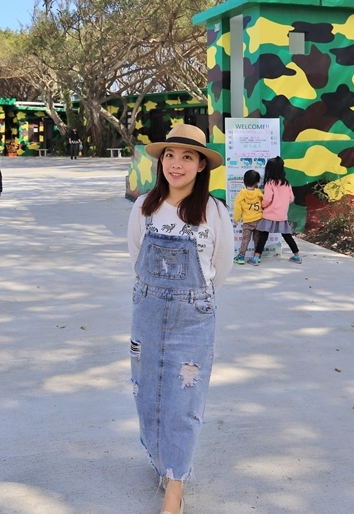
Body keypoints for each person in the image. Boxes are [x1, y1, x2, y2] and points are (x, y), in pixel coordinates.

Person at [127, 123, 234, 514]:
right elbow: (136, 255)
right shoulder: (144, 207)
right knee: (147, 391)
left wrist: (194, 299)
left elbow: (221, 266)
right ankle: (160, 461)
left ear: (201, 165)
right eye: (170, 155)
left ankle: (176, 483)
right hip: (147, 311)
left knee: (184, 400)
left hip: (195, 316)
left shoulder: (214, 211)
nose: (176, 164)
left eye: (188, 157)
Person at [248, 156, 302, 265]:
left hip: (270, 214)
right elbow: (291, 198)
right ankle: (297, 256)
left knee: (263, 235)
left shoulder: (270, 183)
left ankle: (256, 258)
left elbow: (267, 198)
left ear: (269, 170)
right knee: (287, 235)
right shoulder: (286, 183)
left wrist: (263, 205)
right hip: (282, 215)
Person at [233, 169, 263, 265]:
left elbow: (238, 206)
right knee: (257, 239)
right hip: (259, 219)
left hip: (248, 221)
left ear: (244, 181)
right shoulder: (258, 192)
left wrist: (236, 218)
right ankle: (257, 256)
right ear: (257, 182)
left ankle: (241, 257)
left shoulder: (242, 193)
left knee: (245, 239)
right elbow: (264, 203)